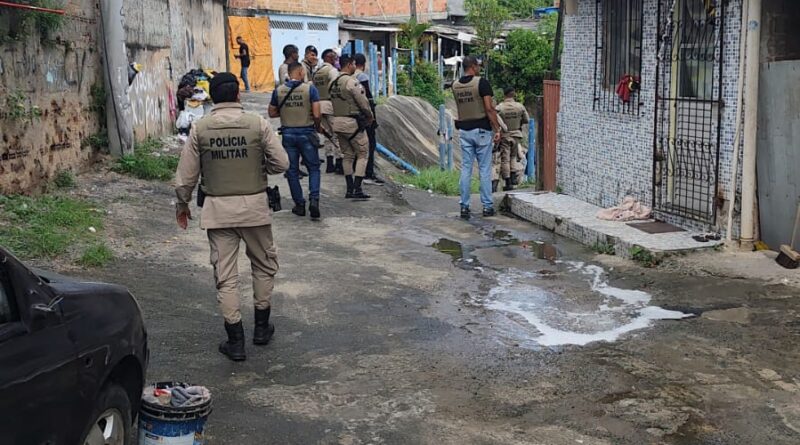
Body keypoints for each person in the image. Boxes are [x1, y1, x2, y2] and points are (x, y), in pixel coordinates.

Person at [174, 72, 289, 362]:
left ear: (212, 96)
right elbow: (282, 163)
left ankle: (235, 341)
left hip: (218, 211)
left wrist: (182, 205)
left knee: (225, 276)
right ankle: (261, 329)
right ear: (238, 95)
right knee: (263, 265)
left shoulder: (201, 128)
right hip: (255, 210)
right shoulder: (257, 124)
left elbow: (186, 178)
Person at [269, 62, 323, 219]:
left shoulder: (278, 90)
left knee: (291, 171)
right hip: (306, 133)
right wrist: (317, 127)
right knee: (313, 167)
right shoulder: (309, 89)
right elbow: (317, 114)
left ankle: (299, 205)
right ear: (300, 72)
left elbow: (272, 112)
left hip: (288, 134)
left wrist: (287, 112)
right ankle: (314, 199)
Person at [452, 56, 502, 220]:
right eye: (478, 65)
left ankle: (464, 207)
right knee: (485, 170)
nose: (479, 68)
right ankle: (487, 206)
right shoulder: (482, 83)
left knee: (466, 169)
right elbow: (489, 109)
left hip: (464, 131)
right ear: (473, 66)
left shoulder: (455, 85)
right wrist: (497, 128)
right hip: (482, 131)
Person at [330, 55, 375, 200]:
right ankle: (357, 189)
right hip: (352, 123)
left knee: (347, 155)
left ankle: (349, 189)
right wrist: (370, 116)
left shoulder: (334, 82)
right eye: (353, 64)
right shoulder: (351, 82)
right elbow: (363, 102)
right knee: (362, 154)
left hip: (337, 122)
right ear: (349, 65)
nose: (355, 67)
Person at [353, 53, 384, 185]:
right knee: (370, 145)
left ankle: (357, 171)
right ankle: (368, 172)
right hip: (365, 115)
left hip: (354, 115)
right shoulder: (362, 76)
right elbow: (368, 97)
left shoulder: (349, 76)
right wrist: (373, 118)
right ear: (364, 64)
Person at [313, 49, 344, 175]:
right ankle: (339, 162)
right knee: (337, 134)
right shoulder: (332, 71)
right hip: (331, 104)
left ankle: (329, 163)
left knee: (327, 135)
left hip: (319, 105)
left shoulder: (317, 72)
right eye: (335, 57)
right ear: (329, 57)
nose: (336, 59)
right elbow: (336, 86)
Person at [495, 87, 529, 191]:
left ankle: (508, 181)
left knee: (505, 158)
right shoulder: (520, 106)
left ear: (504, 95)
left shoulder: (500, 107)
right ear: (513, 95)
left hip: (505, 135)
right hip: (517, 134)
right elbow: (526, 119)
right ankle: (514, 177)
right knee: (514, 156)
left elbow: (494, 118)